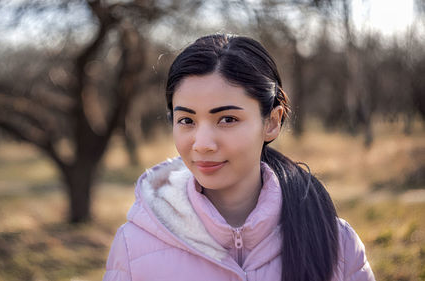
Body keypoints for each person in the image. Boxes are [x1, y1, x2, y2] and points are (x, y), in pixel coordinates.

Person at [103, 34, 375, 281]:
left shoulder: (336, 243)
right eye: (186, 120)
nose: (203, 144)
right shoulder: (132, 247)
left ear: (271, 122)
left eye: (227, 119)